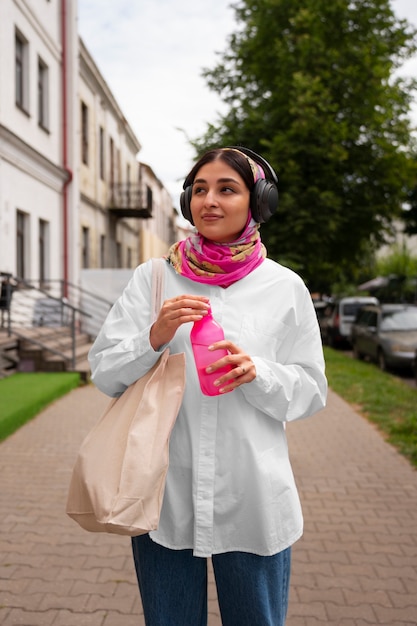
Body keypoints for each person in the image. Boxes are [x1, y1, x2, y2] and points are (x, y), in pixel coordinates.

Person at [88, 146, 327, 626]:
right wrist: (152, 338)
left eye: (227, 189)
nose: (209, 201)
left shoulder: (285, 288)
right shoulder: (154, 278)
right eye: (199, 190)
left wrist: (259, 373)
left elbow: (311, 390)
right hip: (163, 499)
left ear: (259, 202)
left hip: (253, 499)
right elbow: (105, 373)